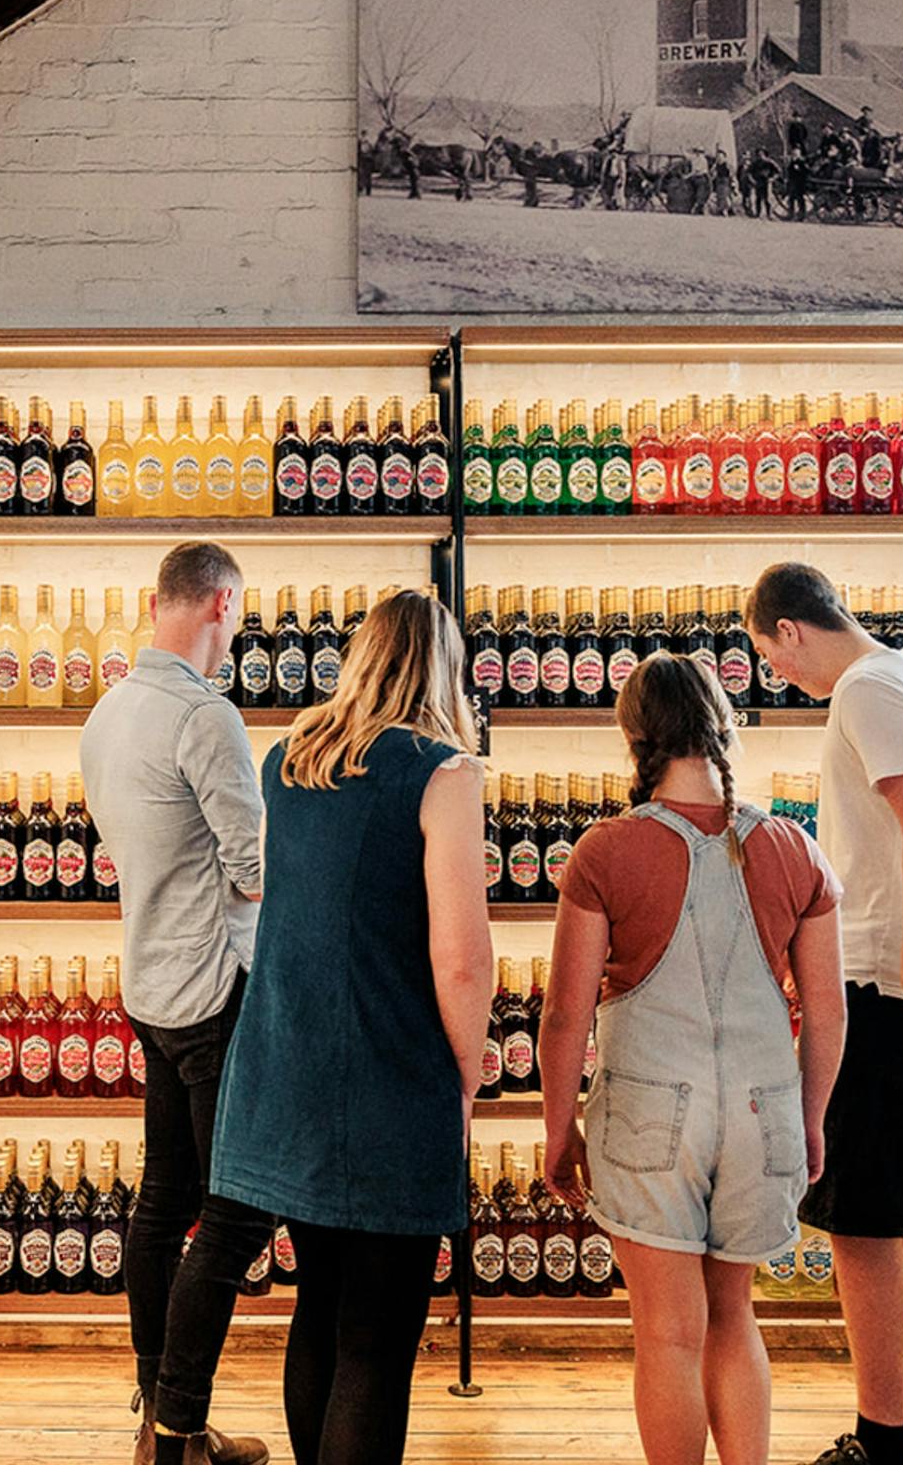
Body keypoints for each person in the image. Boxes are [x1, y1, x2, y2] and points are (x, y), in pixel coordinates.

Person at [209, 590, 492, 1465]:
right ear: (442, 666)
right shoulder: (444, 772)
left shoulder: (288, 759)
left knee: (321, 1307)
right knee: (377, 1334)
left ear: (363, 657)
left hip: (288, 1064)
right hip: (389, 1073)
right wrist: (467, 1070)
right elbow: (461, 960)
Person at [542, 652, 846, 1465]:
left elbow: (566, 1015)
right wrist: (810, 1119)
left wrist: (558, 1127)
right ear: (724, 725)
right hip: (763, 1113)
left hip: (647, 1117)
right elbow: (828, 1009)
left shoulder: (605, 852)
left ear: (635, 735)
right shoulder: (794, 848)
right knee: (734, 1319)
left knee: (669, 1335)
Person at [743, 564, 903, 1465]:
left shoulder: (862, 690)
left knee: (864, 1230)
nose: (779, 674)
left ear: (789, 631)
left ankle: (884, 1442)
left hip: (893, 999)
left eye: (770, 655)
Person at [79, 541, 272, 1465]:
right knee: (232, 1215)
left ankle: (159, 1409)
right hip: (213, 990)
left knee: (162, 1204)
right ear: (221, 604)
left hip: (149, 985)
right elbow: (255, 870)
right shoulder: (206, 716)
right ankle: (177, 1433)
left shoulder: (107, 713)